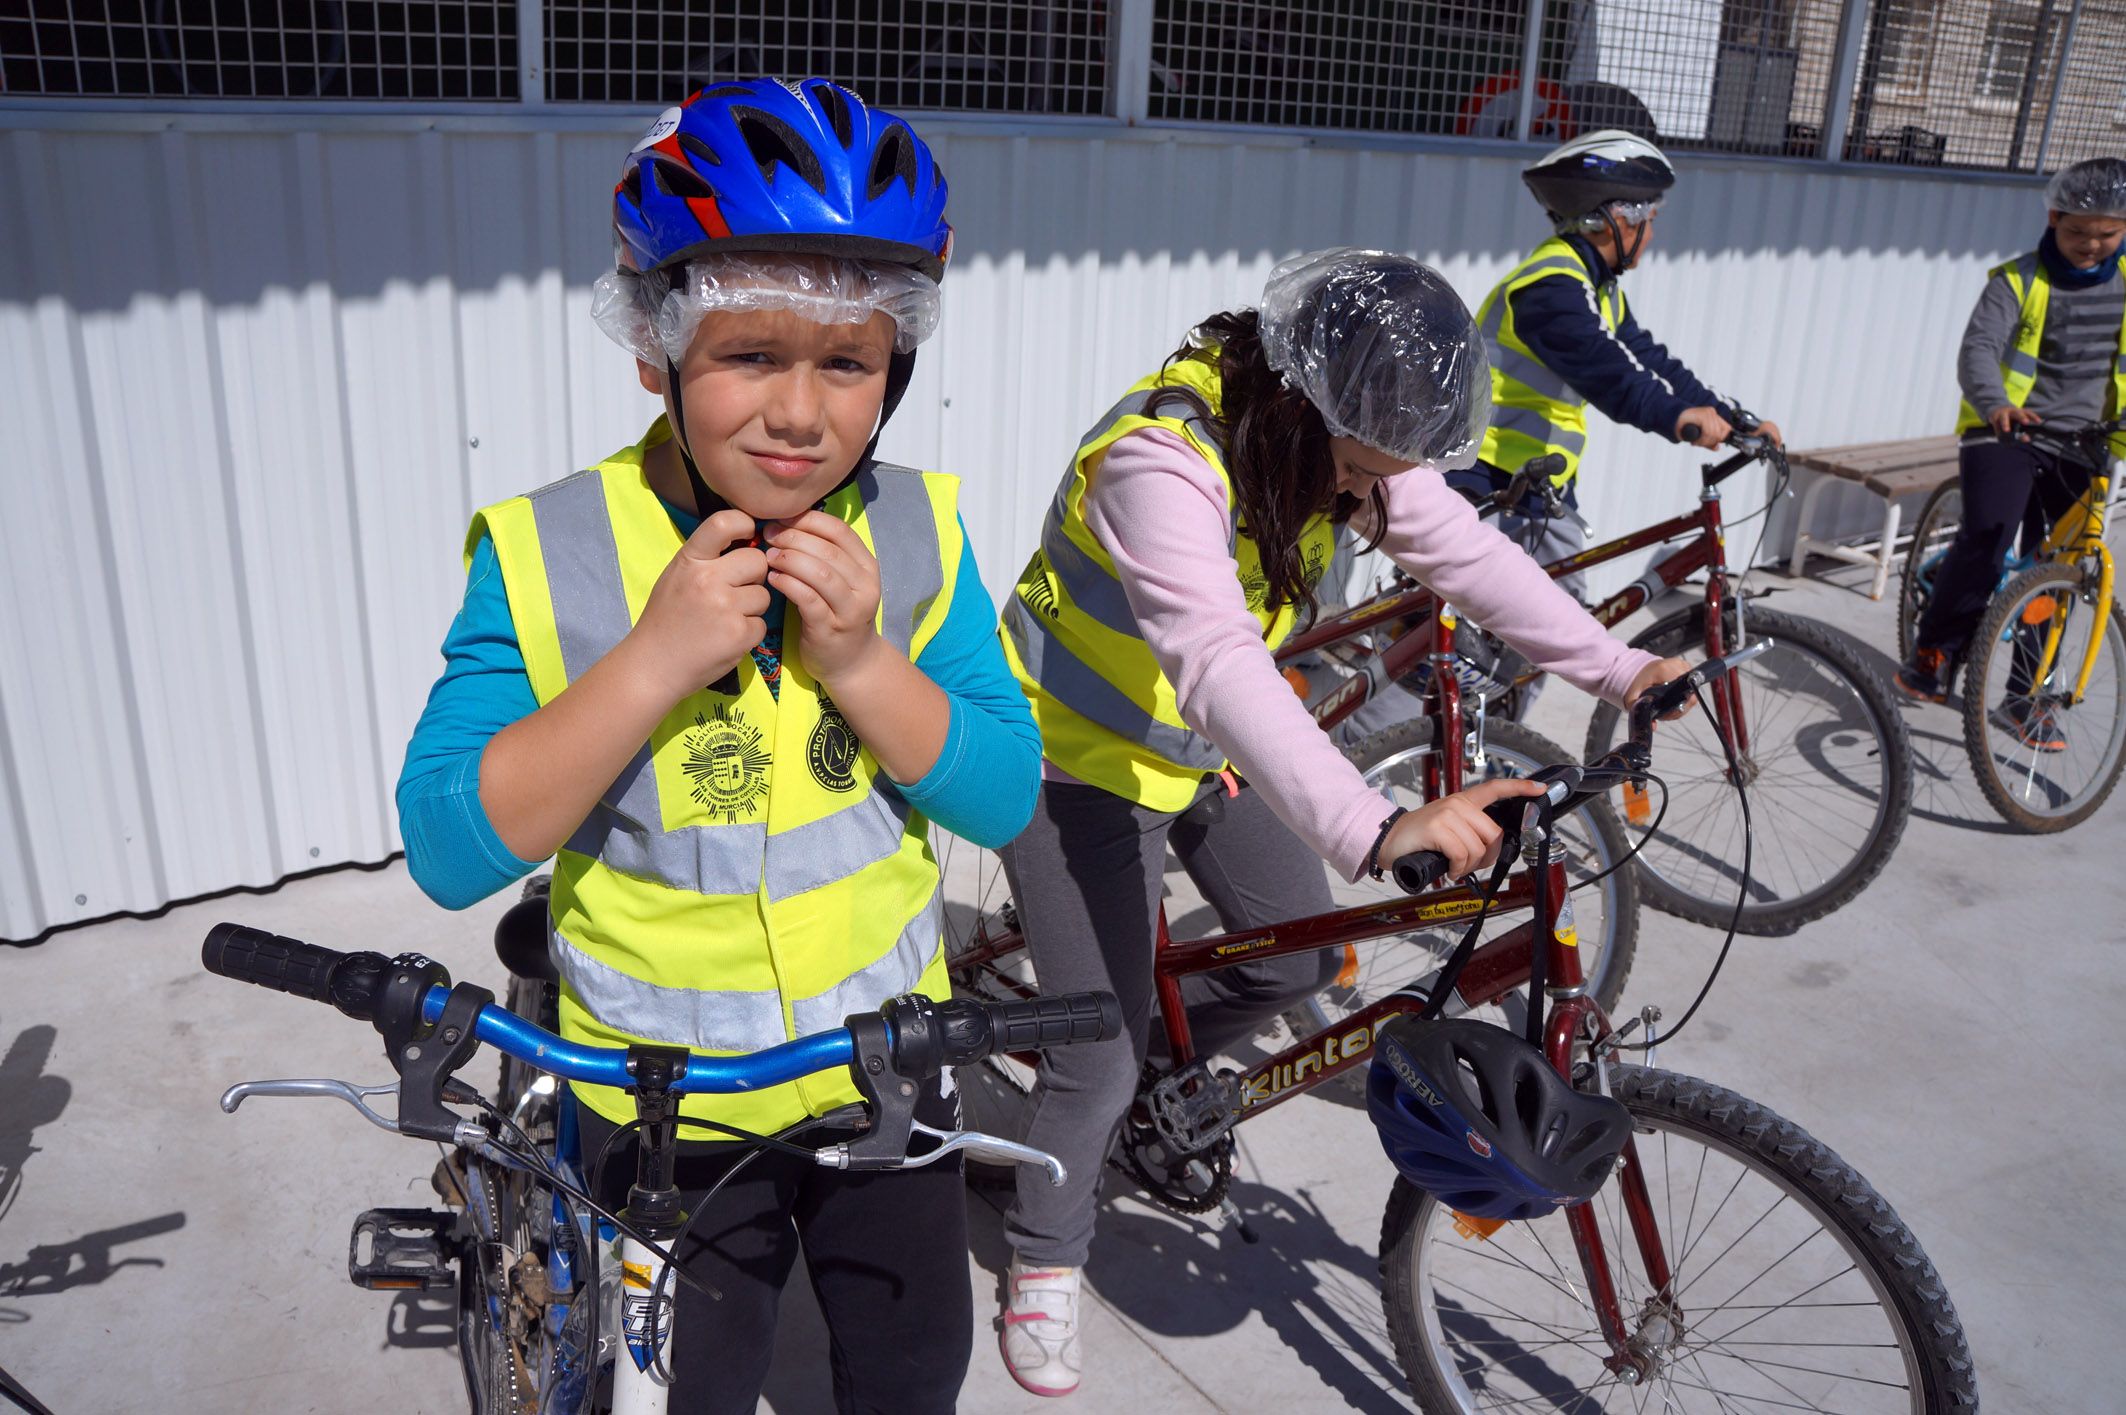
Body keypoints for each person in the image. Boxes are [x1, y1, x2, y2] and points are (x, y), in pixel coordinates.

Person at [394, 79, 1039, 1415]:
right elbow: (453, 844)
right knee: (684, 1388)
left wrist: (861, 662)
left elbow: (1003, 786)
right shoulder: (549, 547)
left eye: (848, 362)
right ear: (657, 345)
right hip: (656, 1108)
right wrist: (651, 659)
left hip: (885, 1082)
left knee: (913, 1370)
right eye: (750, 354)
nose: (800, 414)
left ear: (895, 366)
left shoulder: (917, 533)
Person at [989, 248, 1690, 1398]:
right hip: (1062, 761)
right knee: (1094, 1057)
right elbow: (1214, 657)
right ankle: (1045, 1251)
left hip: (1190, 753)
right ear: (1302, 407)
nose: (1377, 494)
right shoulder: (1156, 461)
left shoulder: (1330, 442)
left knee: (1302, 954)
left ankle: (1144, 1083)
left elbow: (1464, 552)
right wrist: (1373, 823)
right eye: (1366, 469)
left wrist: (1619, 667)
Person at [1459, 130, 1783, 603]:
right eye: (1648, 217)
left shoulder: (1597, 287)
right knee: (1525, 622)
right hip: (1486, 475)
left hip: (1538, 477)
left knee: (1561, 617)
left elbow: (1649, 359)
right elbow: (1609, 372)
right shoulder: (1551, 288)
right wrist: (1676, 417)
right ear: (1615, 219)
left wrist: (1731, 416)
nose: (1651, 233)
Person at [1896, 155, 2126, 749]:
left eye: (2108, 235)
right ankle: (1935, 654)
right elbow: (1979, 349)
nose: (2091, 246)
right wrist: (1997, 402)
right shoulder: (2017, 281)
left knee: (2060, 574)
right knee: (1989, 536)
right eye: (2078, 232)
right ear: (2053, 219)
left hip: (2087, 441)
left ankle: (2026, 699)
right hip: (2010, 429)